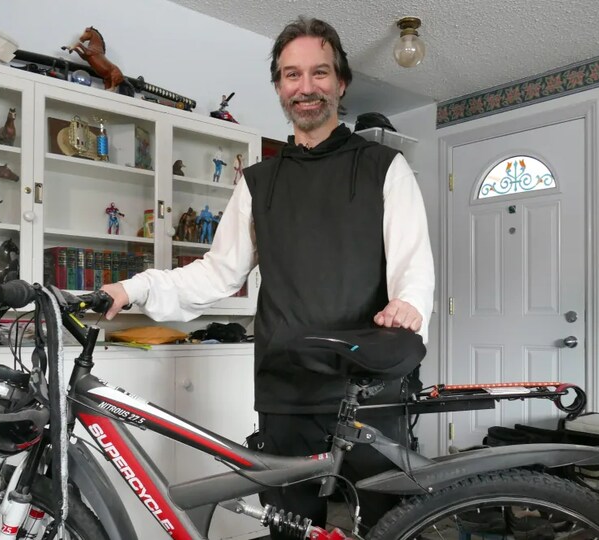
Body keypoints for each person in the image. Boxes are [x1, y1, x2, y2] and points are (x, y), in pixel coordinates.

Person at [99, 16, 434, 537]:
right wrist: (133, 287)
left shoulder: (385, 167)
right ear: (279, 86)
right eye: (292, 75)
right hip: (288, 393)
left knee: (389, 527)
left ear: (340, 82)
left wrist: (409, 306)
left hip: (372, 391)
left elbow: (413, 268)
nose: (306, 87)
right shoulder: (259, 183)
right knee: (292, 528)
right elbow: (216, 274)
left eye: (319, 73)